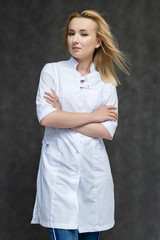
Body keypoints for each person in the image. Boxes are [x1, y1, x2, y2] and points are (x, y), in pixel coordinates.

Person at [31, 10, 129, 240]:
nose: (75, 40)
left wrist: (64, 114)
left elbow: (106, 131)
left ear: (97, 41)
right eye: (71, 33)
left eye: (84, 34)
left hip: (92, 177)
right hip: (58, 174)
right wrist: (93, 115)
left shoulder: (106, 82)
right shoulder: (52, 71)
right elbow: (47, 118)